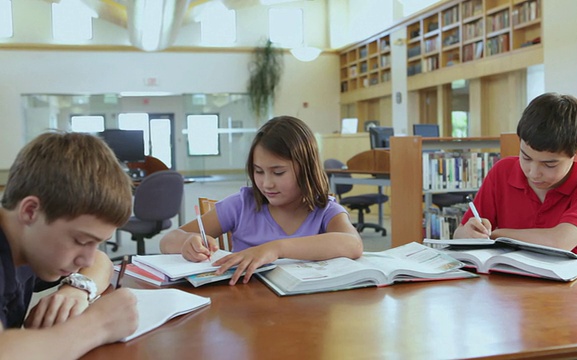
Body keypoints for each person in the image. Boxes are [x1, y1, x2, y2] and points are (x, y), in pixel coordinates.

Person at [160, 116, 364, 284]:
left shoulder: (325, 210)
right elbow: (167, 240)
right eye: (259, 171)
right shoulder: (241, 205)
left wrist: (275, 249)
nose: (266, 184)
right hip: (247, 309)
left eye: (278, 172)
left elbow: (353, 244)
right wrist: (187, 242)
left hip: (307, 312)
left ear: (306, 169)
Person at [0, 132, 138, 359]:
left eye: (96, 243)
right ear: (30, 211)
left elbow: (101, 263)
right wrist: (99, 324)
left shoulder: (28, 245)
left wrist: (77, 289)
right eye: (81, 241)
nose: (86, 259)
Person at [453, 92, 577, 273]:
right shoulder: (503, 171)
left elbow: (560, 242)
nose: (533, 172)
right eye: (526, 157)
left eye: (549, 164)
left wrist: (495, 236)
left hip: (576, 292)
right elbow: (459, 234)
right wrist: (469, 233)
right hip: (510, 289)